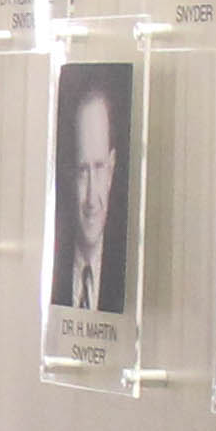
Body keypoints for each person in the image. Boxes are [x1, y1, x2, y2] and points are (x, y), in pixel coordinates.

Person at [48, 63, 129, 317]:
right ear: (69, 173)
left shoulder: (124, 268)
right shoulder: (52, 267)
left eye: (100, 167)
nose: (91, 198)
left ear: (112, 168)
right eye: (83, 171)